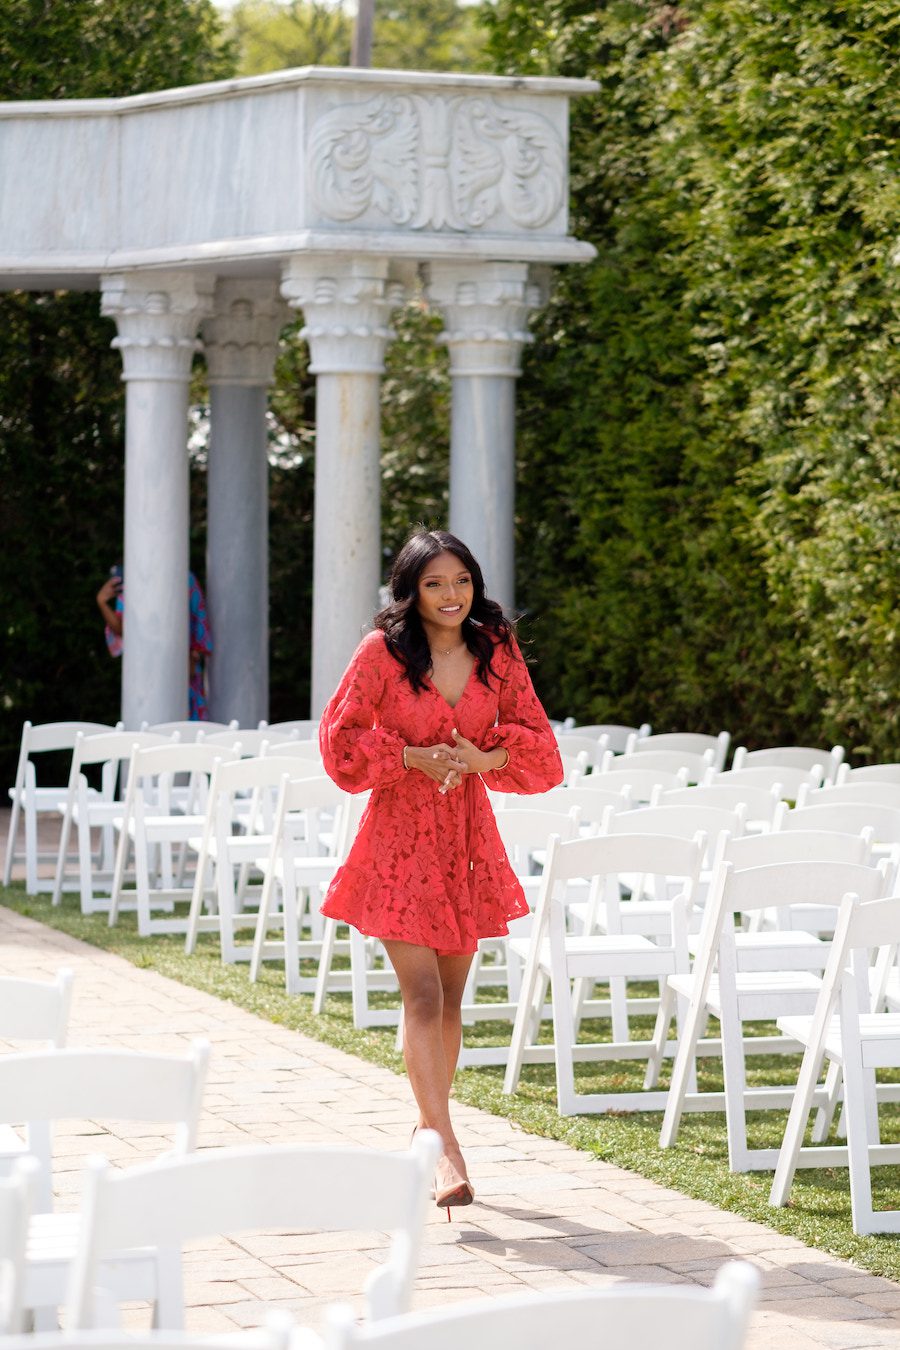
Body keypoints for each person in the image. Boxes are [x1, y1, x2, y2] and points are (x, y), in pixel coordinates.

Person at [318, 529, 563, 1214]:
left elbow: (542, 749)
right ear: (411, 591)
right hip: (398, 838)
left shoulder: (498, 651)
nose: (452, 595)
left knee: (451, 1002)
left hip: (465, 841)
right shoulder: (382, 654)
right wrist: (409, 760)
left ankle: (428, 1126)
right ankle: (447, 1146)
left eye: (461, 581)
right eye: (435, 584)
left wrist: (487, 761)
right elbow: (338, 741)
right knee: (422, 996)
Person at [96, 565, 213, 720]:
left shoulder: (184, 577)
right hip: (145, 669)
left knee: (186, 729)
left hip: (181, 665)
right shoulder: (134, 578)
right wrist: (101, 601)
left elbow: (198, 618)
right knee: (149, 726)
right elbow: (124, 629)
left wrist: (193, 654)